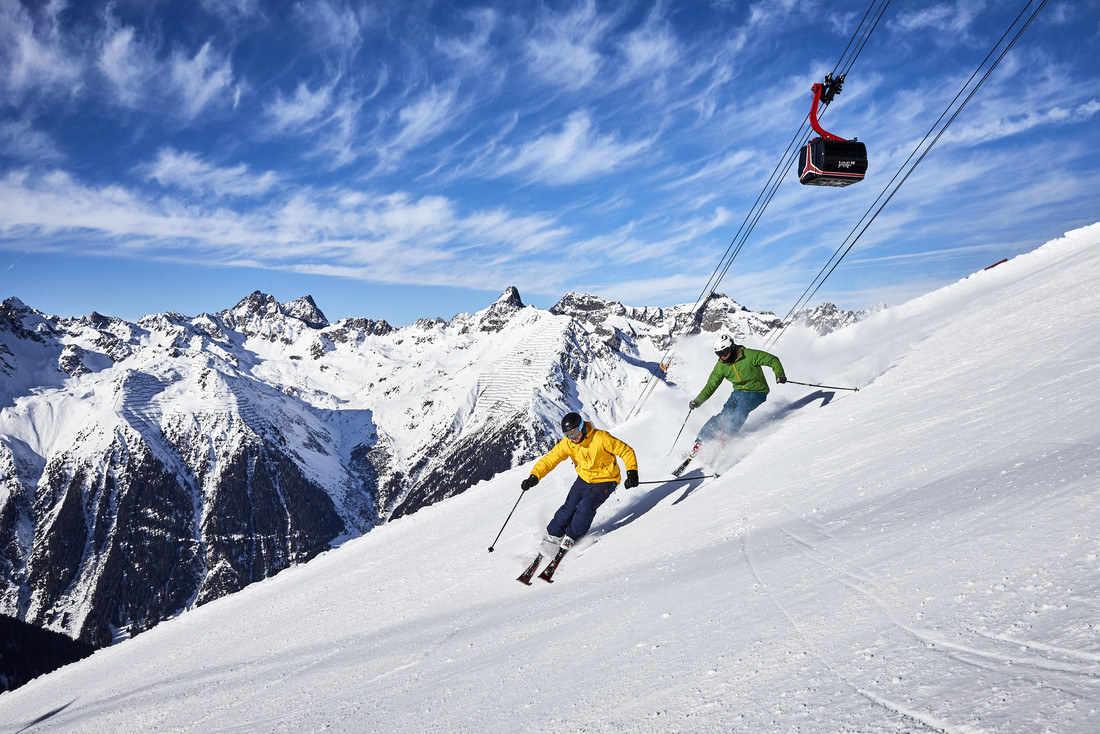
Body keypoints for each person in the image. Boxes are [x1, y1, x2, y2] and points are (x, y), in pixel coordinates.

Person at [519, 412, 639, 553]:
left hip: (606, 479)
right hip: (584, 479)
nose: (572, 437)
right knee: (569, 507)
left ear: (582, 427)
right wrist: (535, 476)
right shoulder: (569, 444)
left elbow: (625, 451)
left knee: (586, 505)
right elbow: (550, 459)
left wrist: (632, 472)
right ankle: (553, 534)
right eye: (567, 434)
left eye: (574, 432)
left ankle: (572, 536)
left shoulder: (601, 438)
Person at [674, 332, 786, 475]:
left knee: (740, 410)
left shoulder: (749, 355)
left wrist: (779, 374)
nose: (722, 356)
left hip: (757, 391)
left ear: (732, 347)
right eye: (718, 354)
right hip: (738, 392)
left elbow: (772, 359)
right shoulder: (721, 365)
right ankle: (701, 440)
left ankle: (725, 437)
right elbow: (711, 385)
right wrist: (697, 401)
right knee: (724, 415)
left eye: (725, 352)